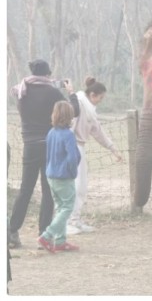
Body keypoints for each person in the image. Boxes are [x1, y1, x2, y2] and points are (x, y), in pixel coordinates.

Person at [8, 59, 79, 249]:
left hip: (29, 145)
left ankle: (11, 232)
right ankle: (43, 234)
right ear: (47, 74)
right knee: (47, 191)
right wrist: (71, 92)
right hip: (49, 145)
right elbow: (74, 111)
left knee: (25, 189)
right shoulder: (52, 92)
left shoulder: (21, 91)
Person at [67, 77, 123, 235]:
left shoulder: (90, 110)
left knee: (82, 186)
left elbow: (98, 131)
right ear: (93, 94)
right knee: (75, 185)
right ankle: (68, 221)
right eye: (100, 97)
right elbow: (70, 126)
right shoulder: (78, 104)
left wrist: (112, 148)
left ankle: (75, 219)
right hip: (72, 146)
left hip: (80, 147)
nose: (101, 100)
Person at [38, 101, 81, 253]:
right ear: (70, 116)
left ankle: (61, 241)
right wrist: (74, 173)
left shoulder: (51, 133)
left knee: (60, 207)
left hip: (51, 176)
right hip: (64, 177)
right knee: (67, 208)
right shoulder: (68, 135)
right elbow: (72, 158)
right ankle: (47, 235)